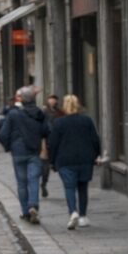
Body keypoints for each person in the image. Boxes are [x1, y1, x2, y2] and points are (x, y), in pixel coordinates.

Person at [46, 94, 102, 230]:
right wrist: (97, 155)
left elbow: (52, 144)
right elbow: (95, 140)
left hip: (65, 160)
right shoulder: (87, 121)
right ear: (78, 105)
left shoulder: (59, 123)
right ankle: (83, 216)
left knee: (69, 187)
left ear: (64, 106)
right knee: (83, 188)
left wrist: (52, 161)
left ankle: (73, 212)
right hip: (85, 159)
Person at [0, 86, 50, 223]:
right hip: (34, 151)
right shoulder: (40, 113)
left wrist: (9, 146)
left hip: (18, 152)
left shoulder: (13, 114)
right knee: (34, 180)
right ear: (33, 99)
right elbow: (47, 131)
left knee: (22, 183)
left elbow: (3, 134)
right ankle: (33, 205)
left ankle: (25, 212)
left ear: (22, 100)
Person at [39, 93, 65, 198]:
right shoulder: (43, 112)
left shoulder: (60, 112)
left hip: (59, 142)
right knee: (45, 167)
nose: (52, 101)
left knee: (62, 166)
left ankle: (68, 185)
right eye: (50, 99)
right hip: (46, 141)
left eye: (54, 99)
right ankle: (44, 184)